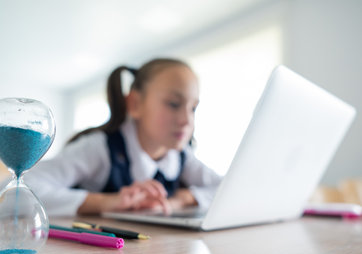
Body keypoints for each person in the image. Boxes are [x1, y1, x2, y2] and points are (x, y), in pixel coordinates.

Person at [23, 58, 222, 216]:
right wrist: (108, 202)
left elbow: (227, 189)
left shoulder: (181, 156)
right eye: (173, 104)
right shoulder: (99, 147)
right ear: (135, 104)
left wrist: (182, 199)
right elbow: (19, 189)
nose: (187, 120)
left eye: (193, 108)